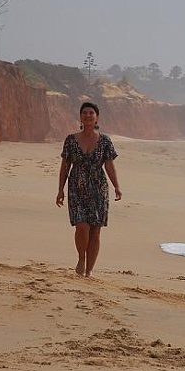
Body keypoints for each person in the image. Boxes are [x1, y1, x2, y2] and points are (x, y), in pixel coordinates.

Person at [56, 102, 122, 277]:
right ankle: (81, 259)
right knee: (82, 226)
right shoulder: (71, 140)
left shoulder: (105, 141)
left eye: (91, 113)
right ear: (80, 117)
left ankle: (90, 270)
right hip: (76, 187)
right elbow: (65, 166)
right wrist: (60, 190)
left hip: (98, 188)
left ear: (97, 117)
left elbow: (109, 165)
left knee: (95, 230)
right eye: (84, 113)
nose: (88, 115)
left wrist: (116, 186)